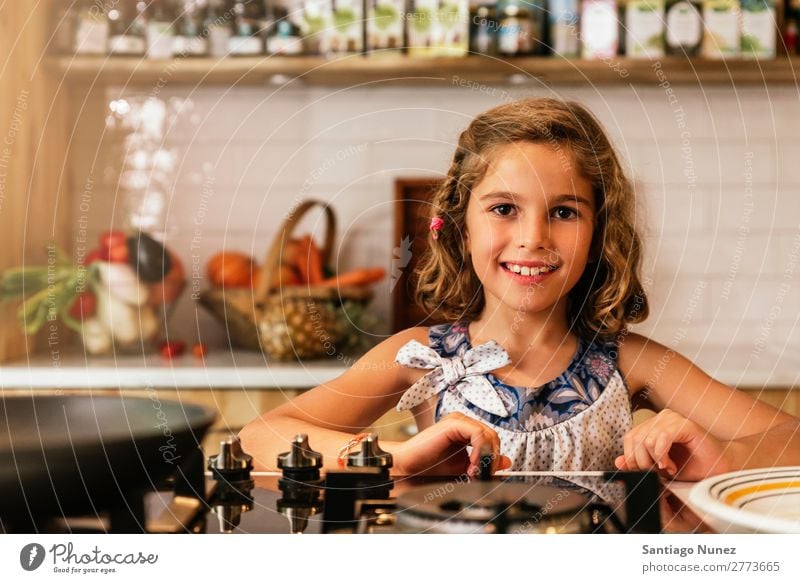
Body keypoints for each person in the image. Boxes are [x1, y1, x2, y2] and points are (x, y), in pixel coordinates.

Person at [240, 98, 799, 480]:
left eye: (564, 211)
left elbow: (790, 438)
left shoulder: (632, 362)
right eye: (504, 209)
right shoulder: (421, 356)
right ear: (462, 227)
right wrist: (395, 457)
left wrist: (717, 452)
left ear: (600, 232)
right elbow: (257, 438)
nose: (533, 239)